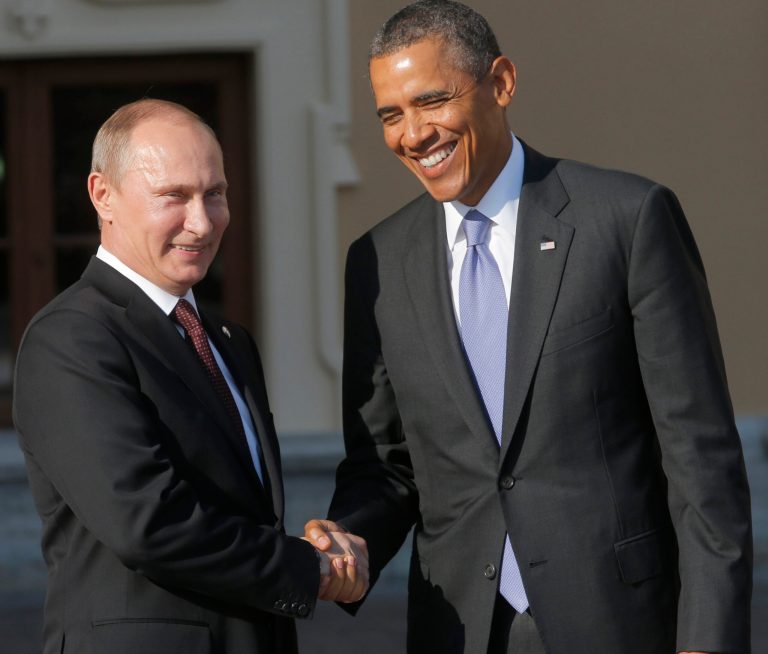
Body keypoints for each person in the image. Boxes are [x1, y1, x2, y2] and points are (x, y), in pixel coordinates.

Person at [304, 2, 752, 653]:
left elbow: (699, 456)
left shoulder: (625, 221)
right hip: (459, 630)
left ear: (502, 82)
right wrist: (345, 543)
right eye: (390, 115)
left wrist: (707, 639)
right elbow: (387, 468)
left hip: (619, 624)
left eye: (431, 101)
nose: (413, 134)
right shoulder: (377, 261)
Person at [12, 98, 366, 654]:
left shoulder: (227, 341)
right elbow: (147, 522)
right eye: (172, 197)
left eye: (215, 194)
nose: (201, 222)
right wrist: (307, 568)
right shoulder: (72, 337)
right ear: (102, 195)